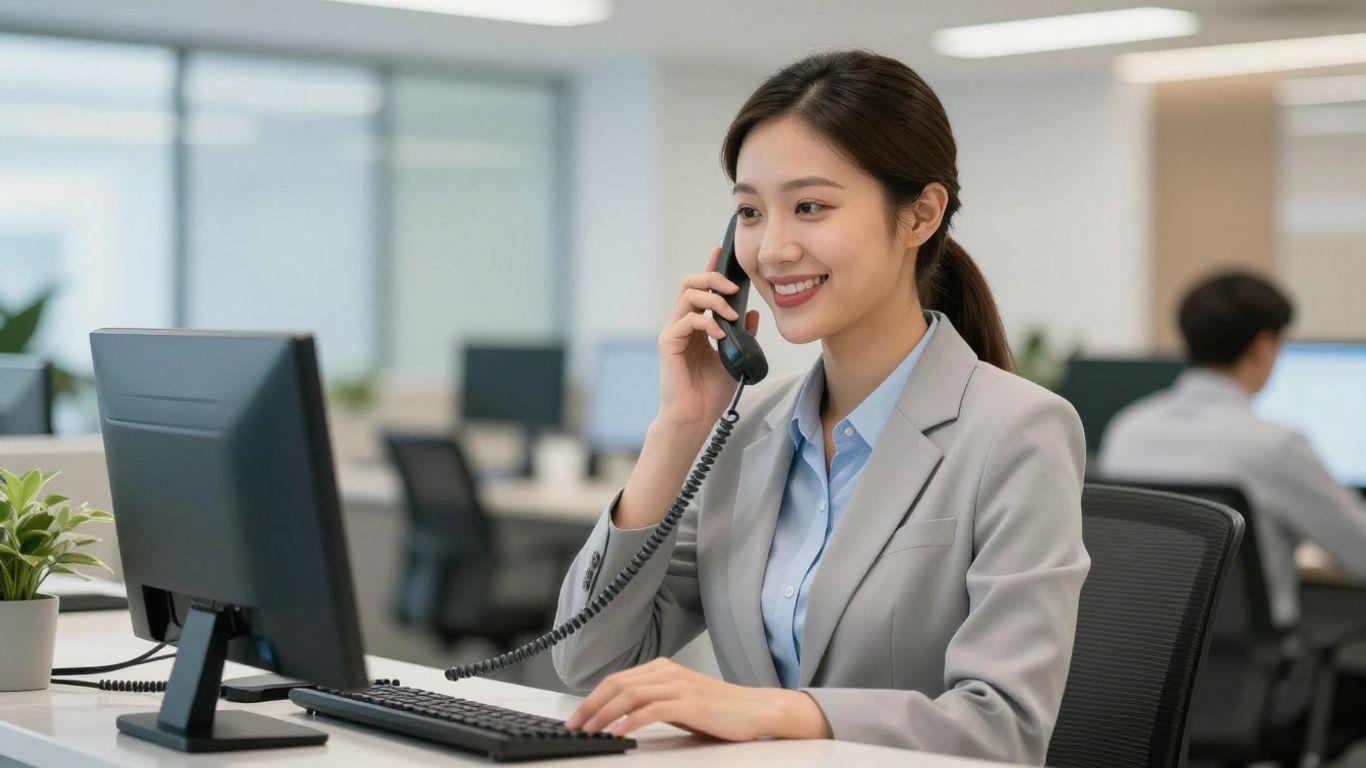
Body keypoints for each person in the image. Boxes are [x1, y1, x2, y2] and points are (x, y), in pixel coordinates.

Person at [552, 50, 1090, 765]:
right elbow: (590, 661)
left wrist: (771, 711)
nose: (772, 250)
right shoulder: (747, 434)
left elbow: (1004, 727)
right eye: (749, 212)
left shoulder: (1017, 432)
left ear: (920, 216)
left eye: (811, 206)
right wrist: (679, 428)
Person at [1100, 271, 1366, 629]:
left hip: (1150, 659)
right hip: (1252, 670)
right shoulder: (1275, 446)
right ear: (1263, 346)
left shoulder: (1127, 430)